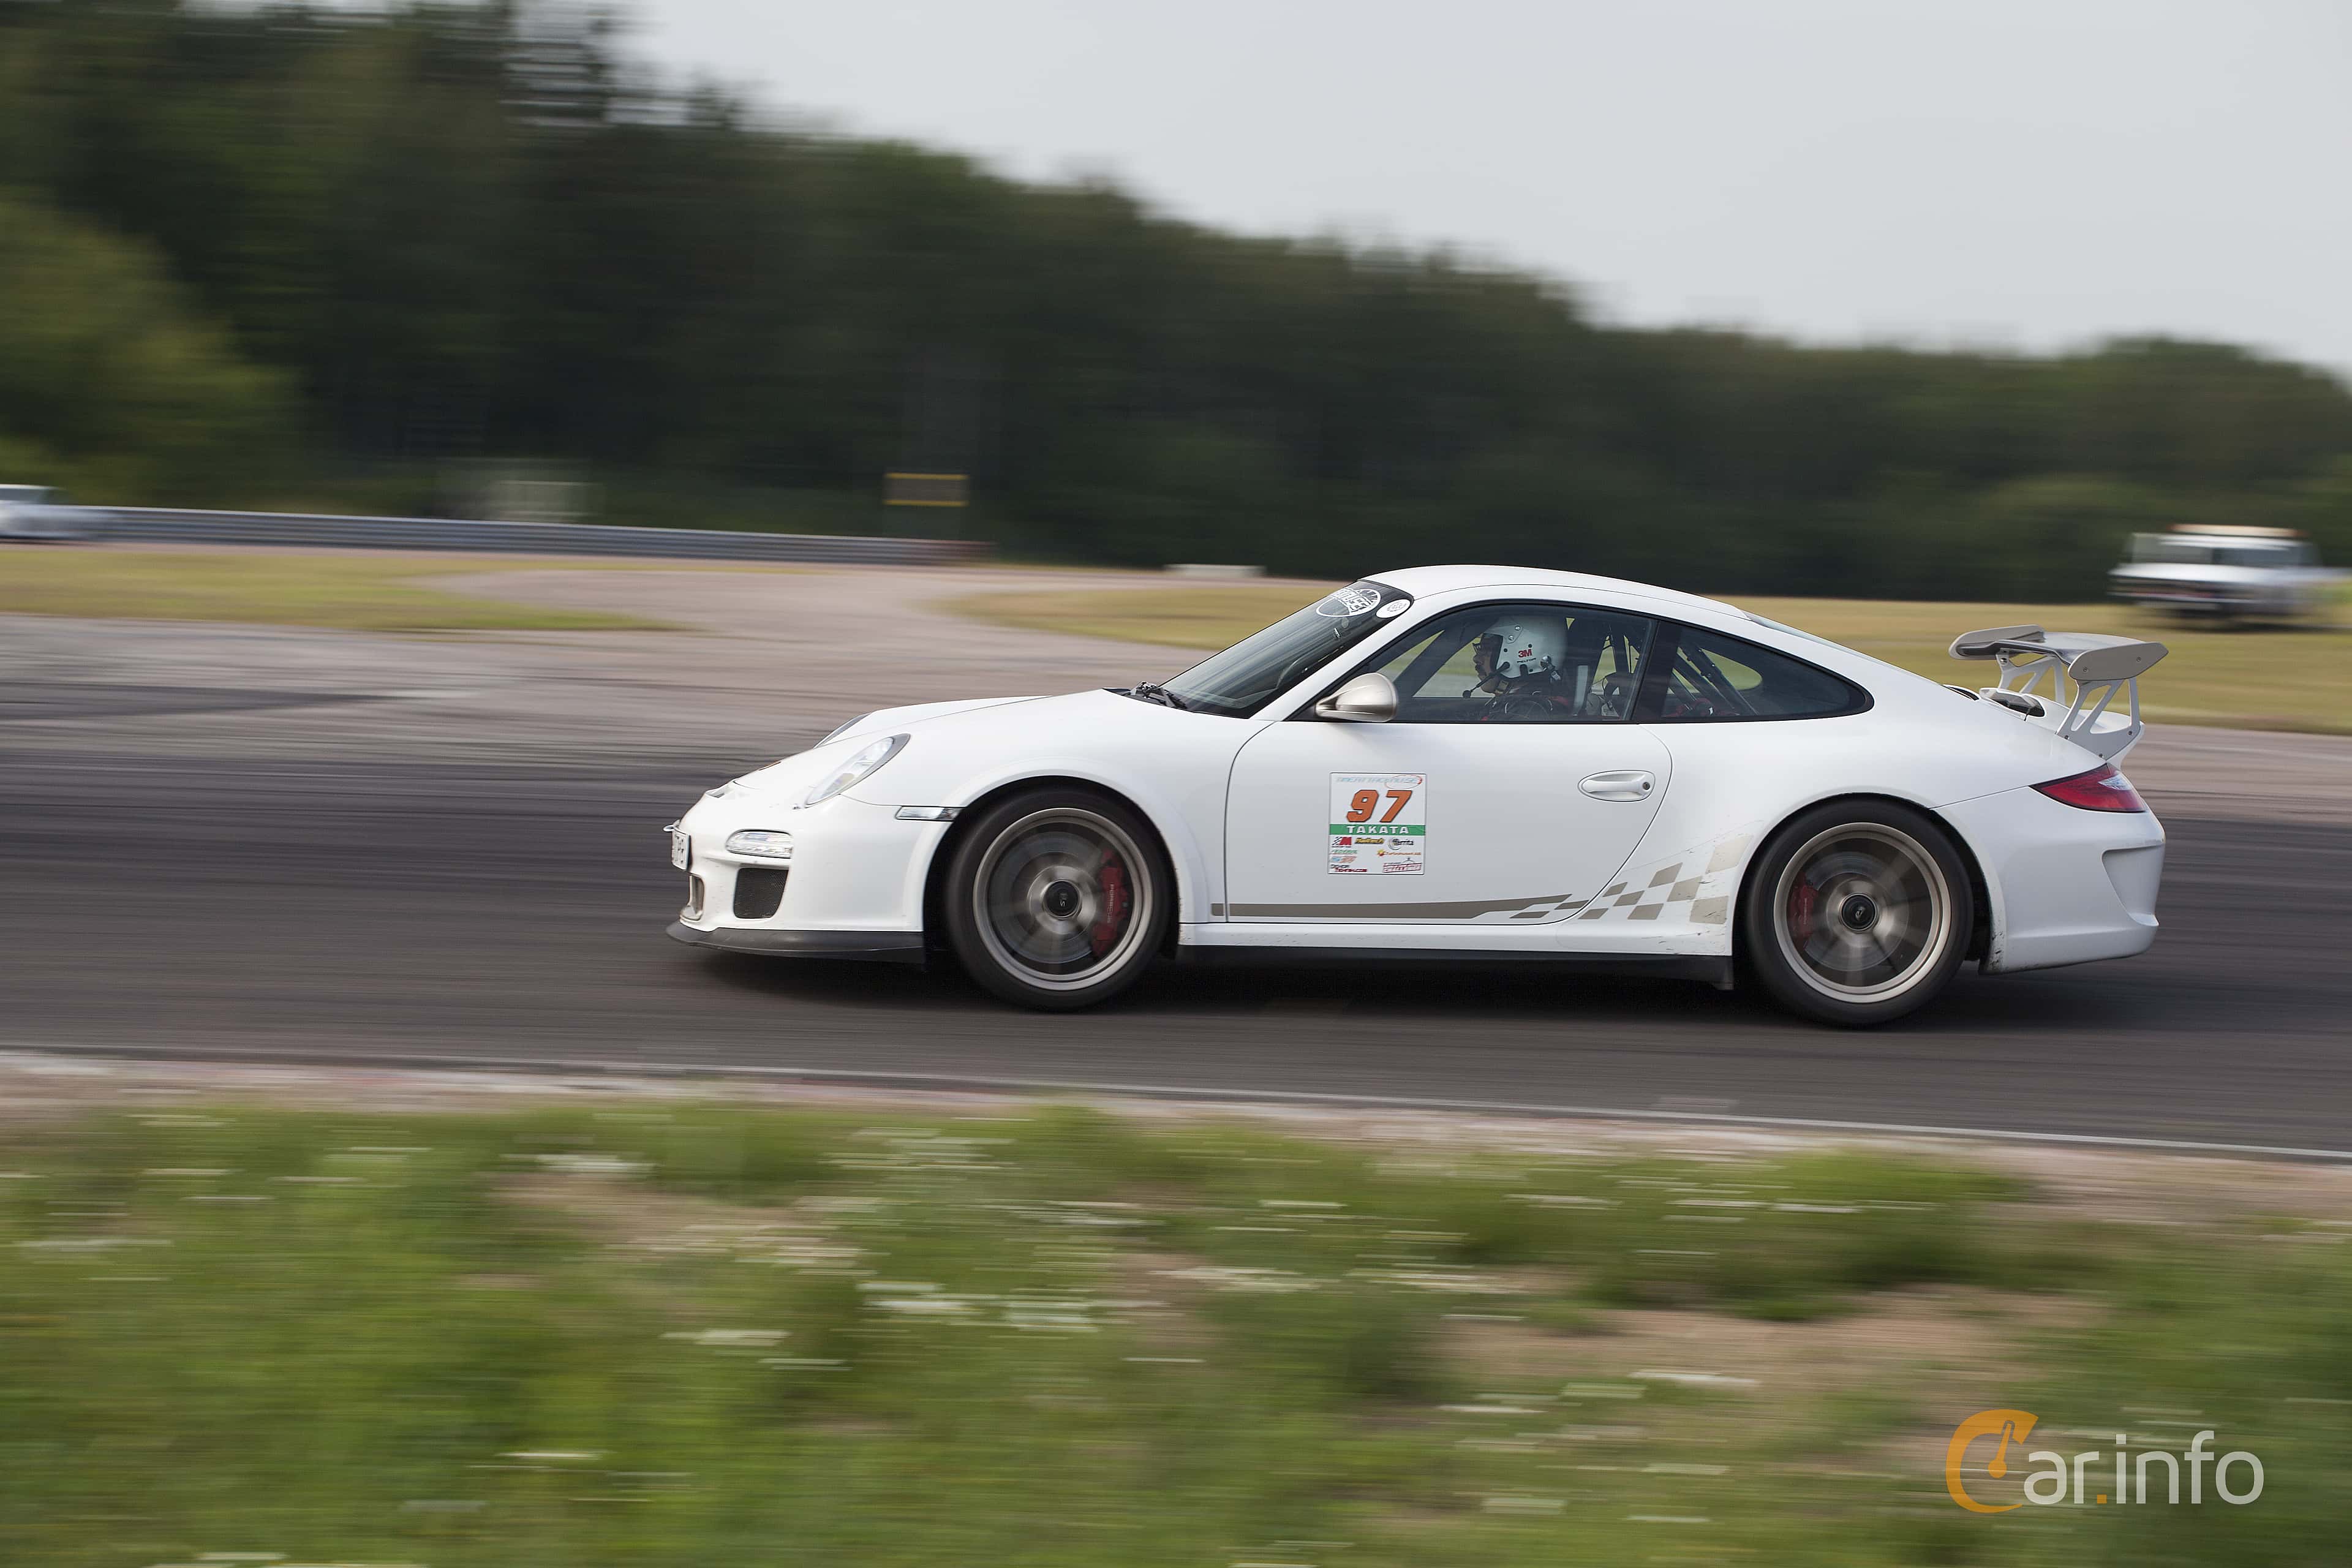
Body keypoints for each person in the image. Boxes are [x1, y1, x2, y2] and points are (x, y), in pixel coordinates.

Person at [1465, 614, 1638, 720]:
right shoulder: (1517, 704)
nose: (1476, 658)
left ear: (1521, 652)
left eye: (1486, 649)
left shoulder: (1528, 714)